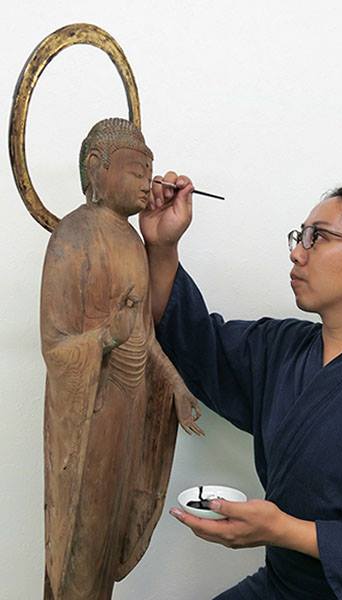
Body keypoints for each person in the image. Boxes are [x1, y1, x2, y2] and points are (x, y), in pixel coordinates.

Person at [140, 176, 342, 599]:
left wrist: (284, 530)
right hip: (282, 586)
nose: (296, 252)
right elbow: (193, 342)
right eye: (299, 235)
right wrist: (162, 246)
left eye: (317, 237)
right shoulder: (282, 348)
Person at [41, 119, 202, 600]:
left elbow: (143, 333)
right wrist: (105, 337)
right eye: (136, 171)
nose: (146, 183)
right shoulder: (73, 235)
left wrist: (175, 386)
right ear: (96, 167)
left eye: (149, 172)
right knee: (83, 534)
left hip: (129, 408)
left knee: (109, 530)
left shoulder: (134, 242)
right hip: (90, 413)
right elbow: (55, 342)